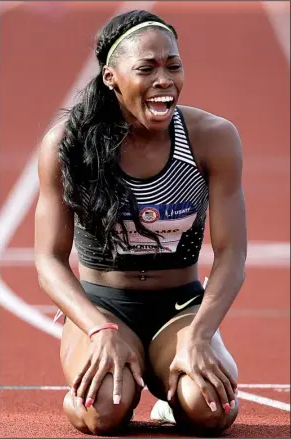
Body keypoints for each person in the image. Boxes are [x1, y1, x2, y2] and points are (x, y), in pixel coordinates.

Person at [35, 9, 247, 437]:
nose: (164, 79)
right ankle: (90, 388)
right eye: (147, 68)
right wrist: (97, 328)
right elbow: (48, 260)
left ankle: (172, 398)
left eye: (173, 65)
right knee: (104, 411)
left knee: (210, 411)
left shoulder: (213, 138)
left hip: (180, 306)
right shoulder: (67, 144)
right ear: (112, 77)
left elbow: (231, 253)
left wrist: (200, 334)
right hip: (104, 306)